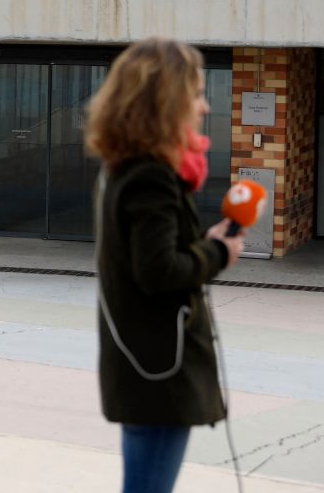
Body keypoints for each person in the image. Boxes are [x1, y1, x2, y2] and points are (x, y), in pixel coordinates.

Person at [85, 37, 245, 493]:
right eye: (195, 93)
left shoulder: (127, 167)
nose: (204, 106)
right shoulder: (149, 175)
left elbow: (153, 256)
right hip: (159, 369)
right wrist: (217, 253)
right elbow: (158, 271)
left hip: (145, 365)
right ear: (166, 100)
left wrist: (203, 243)